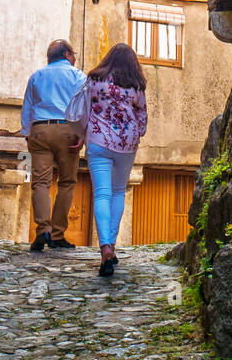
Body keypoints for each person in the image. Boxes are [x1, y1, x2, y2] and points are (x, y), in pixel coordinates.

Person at [76, 43, 148, 277]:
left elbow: (84, 110)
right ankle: (112, 245)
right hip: (126, 145)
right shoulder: (136, 86)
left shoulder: (94, 80)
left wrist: (83, 134)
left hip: (98, 142)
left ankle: (105, 246)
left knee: (102, 194)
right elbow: (143, 119)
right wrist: (134, 131)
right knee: (118, 193)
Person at [20, 39, 86, 252]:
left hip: (40, 129)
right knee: (67, 182)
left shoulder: (36, 76)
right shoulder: (77, 76)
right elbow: (84, 105)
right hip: (68, 129)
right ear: (67, 54)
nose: (74, 57)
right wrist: (82, 133)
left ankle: (42, 230)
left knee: (40, 183)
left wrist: (27, 134)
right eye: (73, 53)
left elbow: (27, 107)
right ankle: (58, 235)